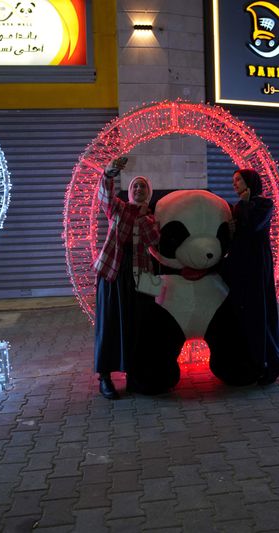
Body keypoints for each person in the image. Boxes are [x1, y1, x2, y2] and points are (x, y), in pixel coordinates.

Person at [93, 156, 159, 399]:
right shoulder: (117, 208)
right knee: (110, 324)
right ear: (129, 192)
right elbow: (105, 196)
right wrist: (109, 173)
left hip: (139, 276)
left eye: (143, 187)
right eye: (135, 186)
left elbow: (153, 241)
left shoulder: (151, 218)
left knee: (137, 325)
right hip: (113, 273)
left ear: (148, 193)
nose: (139, 189)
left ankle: (135, 374)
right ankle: (105, 377)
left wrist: (142, 215)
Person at [222, 168, 279, 385]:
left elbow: (252, 227)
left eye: (238, 180)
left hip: (256, 263)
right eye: (233, 181)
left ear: (250, 181)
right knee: (243, 311)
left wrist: (248, 204)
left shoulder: (263, 204)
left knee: (258, 310)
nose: (234, 184)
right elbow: (237, 236)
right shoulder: (238, 206)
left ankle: (266, 363)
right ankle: (248, 362)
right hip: (240, 263)